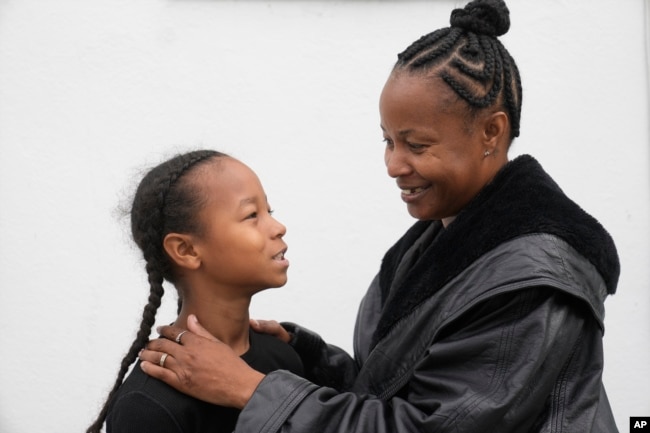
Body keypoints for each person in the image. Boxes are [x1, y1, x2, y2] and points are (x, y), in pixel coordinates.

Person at [138, 0, 621, 431]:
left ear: (491, 133)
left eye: (416, 144)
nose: (393, 165)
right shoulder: (436, 241)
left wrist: (250, 390)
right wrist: (313, 358)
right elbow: (402, 390)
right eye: (388, 141)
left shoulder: (531, 282)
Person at [86, 150, 304, 433]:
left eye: (269, 211)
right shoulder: (146, 406)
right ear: (186, 250)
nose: (278, 227)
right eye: (252, 215)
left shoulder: (284, 359)